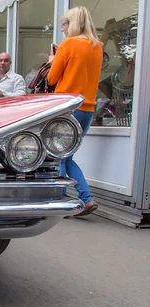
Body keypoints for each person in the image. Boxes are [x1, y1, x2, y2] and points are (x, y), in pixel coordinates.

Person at [47, 6, 103, 216]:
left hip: (67, 108)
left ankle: (59, 199)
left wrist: (53, 60)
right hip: (87, 109)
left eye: (64, 24)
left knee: (56, 156)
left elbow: (51, 78)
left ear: (72, 24)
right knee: (67, 157)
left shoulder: (69, 44)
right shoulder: (97, 46)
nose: (63, 28)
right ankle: (87, 199)